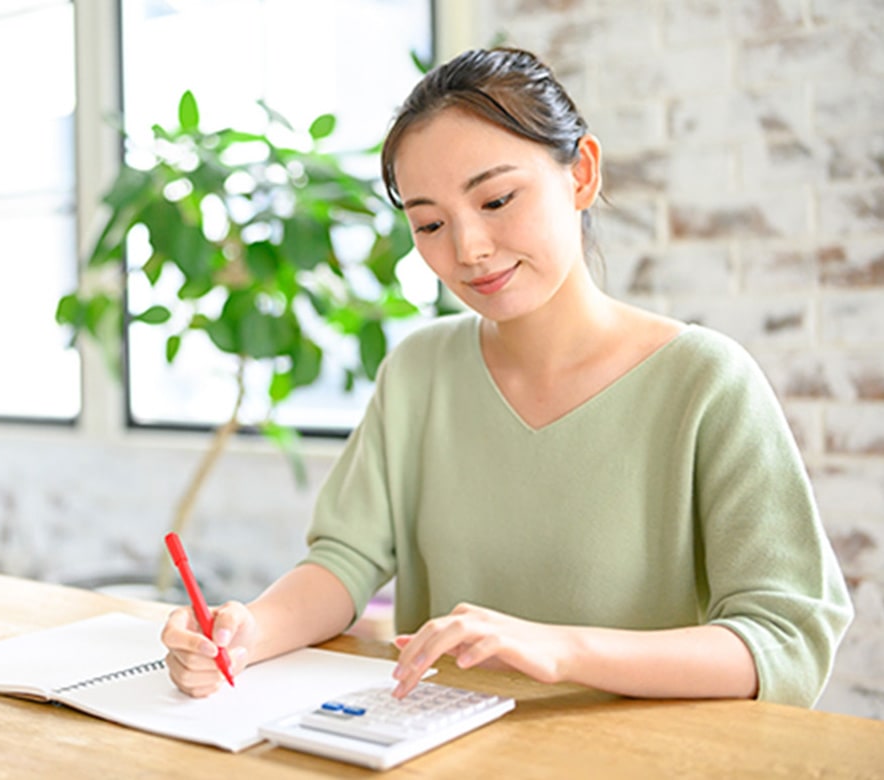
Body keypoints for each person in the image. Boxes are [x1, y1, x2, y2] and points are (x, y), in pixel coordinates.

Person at [160, 47, 853, 708]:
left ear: (581, 172)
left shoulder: (706, 383)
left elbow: (785, 637)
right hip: (438, 751)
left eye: (495, 202)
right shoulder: (418, 373)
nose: (468, 249)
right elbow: (344, 561)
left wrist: (560, 650)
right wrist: (247, 634)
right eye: (429, 224)